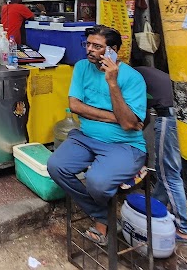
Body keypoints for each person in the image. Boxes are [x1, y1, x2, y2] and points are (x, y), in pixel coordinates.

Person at [47, 25, 147, 246]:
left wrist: (112, 82)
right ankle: (103, 215)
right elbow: (75, 106)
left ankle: (102, 219)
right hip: (85, 137)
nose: (89, 49)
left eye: (97, 46)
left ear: (113, 50)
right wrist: (115, 117)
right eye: (88, 44)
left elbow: (129, 125)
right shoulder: (82, 67)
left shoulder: (133, 78)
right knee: (56, 166)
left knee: (97, 182)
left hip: (124, 144)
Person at [133, 65, 187, 243]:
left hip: (169, 116)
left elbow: (139, 114)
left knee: (169, 173)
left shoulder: (131, 78)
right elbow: (144, 116)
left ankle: (185, 227)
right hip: (183, 112)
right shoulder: (143, 72)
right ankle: (157, 205)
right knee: (164, 168)